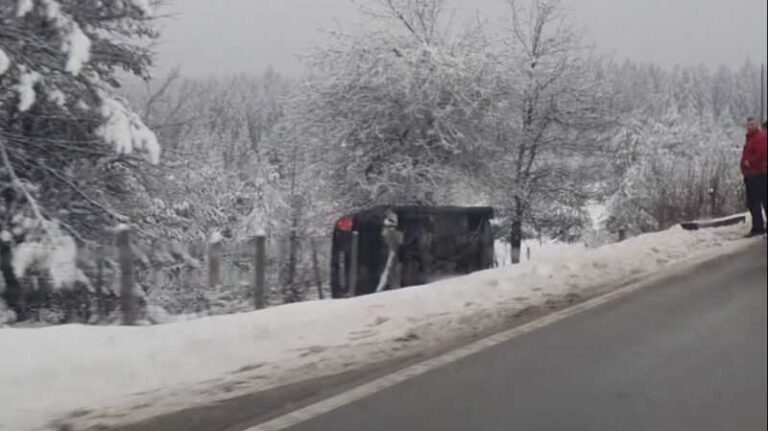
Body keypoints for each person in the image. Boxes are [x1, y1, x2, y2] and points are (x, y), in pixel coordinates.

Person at [741, 118, 768, 236]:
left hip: (756, 173)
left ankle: (758, 227)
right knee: (761, 200)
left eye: (752, 125)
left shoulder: (759, 138)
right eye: (748, 125)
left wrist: (750, 162)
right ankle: (759, 226)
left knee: (754, 201)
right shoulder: (751, 138)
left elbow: (762, 153)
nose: (749, 127)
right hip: (753, 173)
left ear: (756, 126)